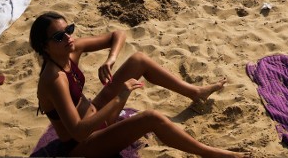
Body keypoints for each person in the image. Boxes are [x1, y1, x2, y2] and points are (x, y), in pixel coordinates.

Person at [30, 12, 242, 158]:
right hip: (85, 144)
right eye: (59, 36)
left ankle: (195, 92)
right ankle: (207, 152)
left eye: (69, 29)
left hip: (99, 117)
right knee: (151, 118)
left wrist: (110, 60)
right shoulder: (54, 79)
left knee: (138, 59)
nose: (68, 37)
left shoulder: (71, 50)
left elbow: (118, 34)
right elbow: (78, 132)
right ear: (45, 47)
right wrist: (120, 99)